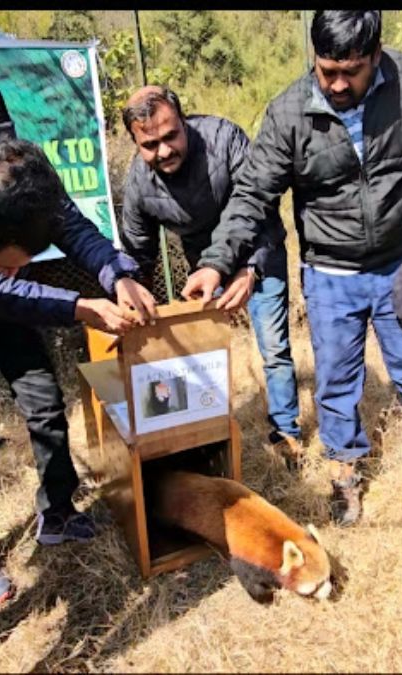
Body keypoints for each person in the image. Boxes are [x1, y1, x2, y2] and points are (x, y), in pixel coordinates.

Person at [0, 61, 159, 607]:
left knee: (45, 402)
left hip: (10, 310)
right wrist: (79, 307)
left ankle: (58, 510)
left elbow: (70, 224)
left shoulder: (19, 169)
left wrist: (116, 273)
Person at [220, 10, 402, 525]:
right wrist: (216, 260)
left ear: (375, 56)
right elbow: (252, 193)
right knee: (336, 380)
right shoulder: (289, 112)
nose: (337, 84)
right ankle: (345, 474)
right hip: (330, 270)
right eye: (326, 70)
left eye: (350, 72)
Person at [117, 85, 303, 469]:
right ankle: (203, 436)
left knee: (274, 349)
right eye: (150, 144)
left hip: (258, 249)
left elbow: (263, 208)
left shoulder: (225, 139)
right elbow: (139, 255)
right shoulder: (138, 184)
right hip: (202, 264)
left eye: (171, 136)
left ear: (185, 122)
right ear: (135, 143)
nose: (164, 150)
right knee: (198, 352)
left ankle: (286, 433)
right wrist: (137, 305)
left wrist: (249, 270)